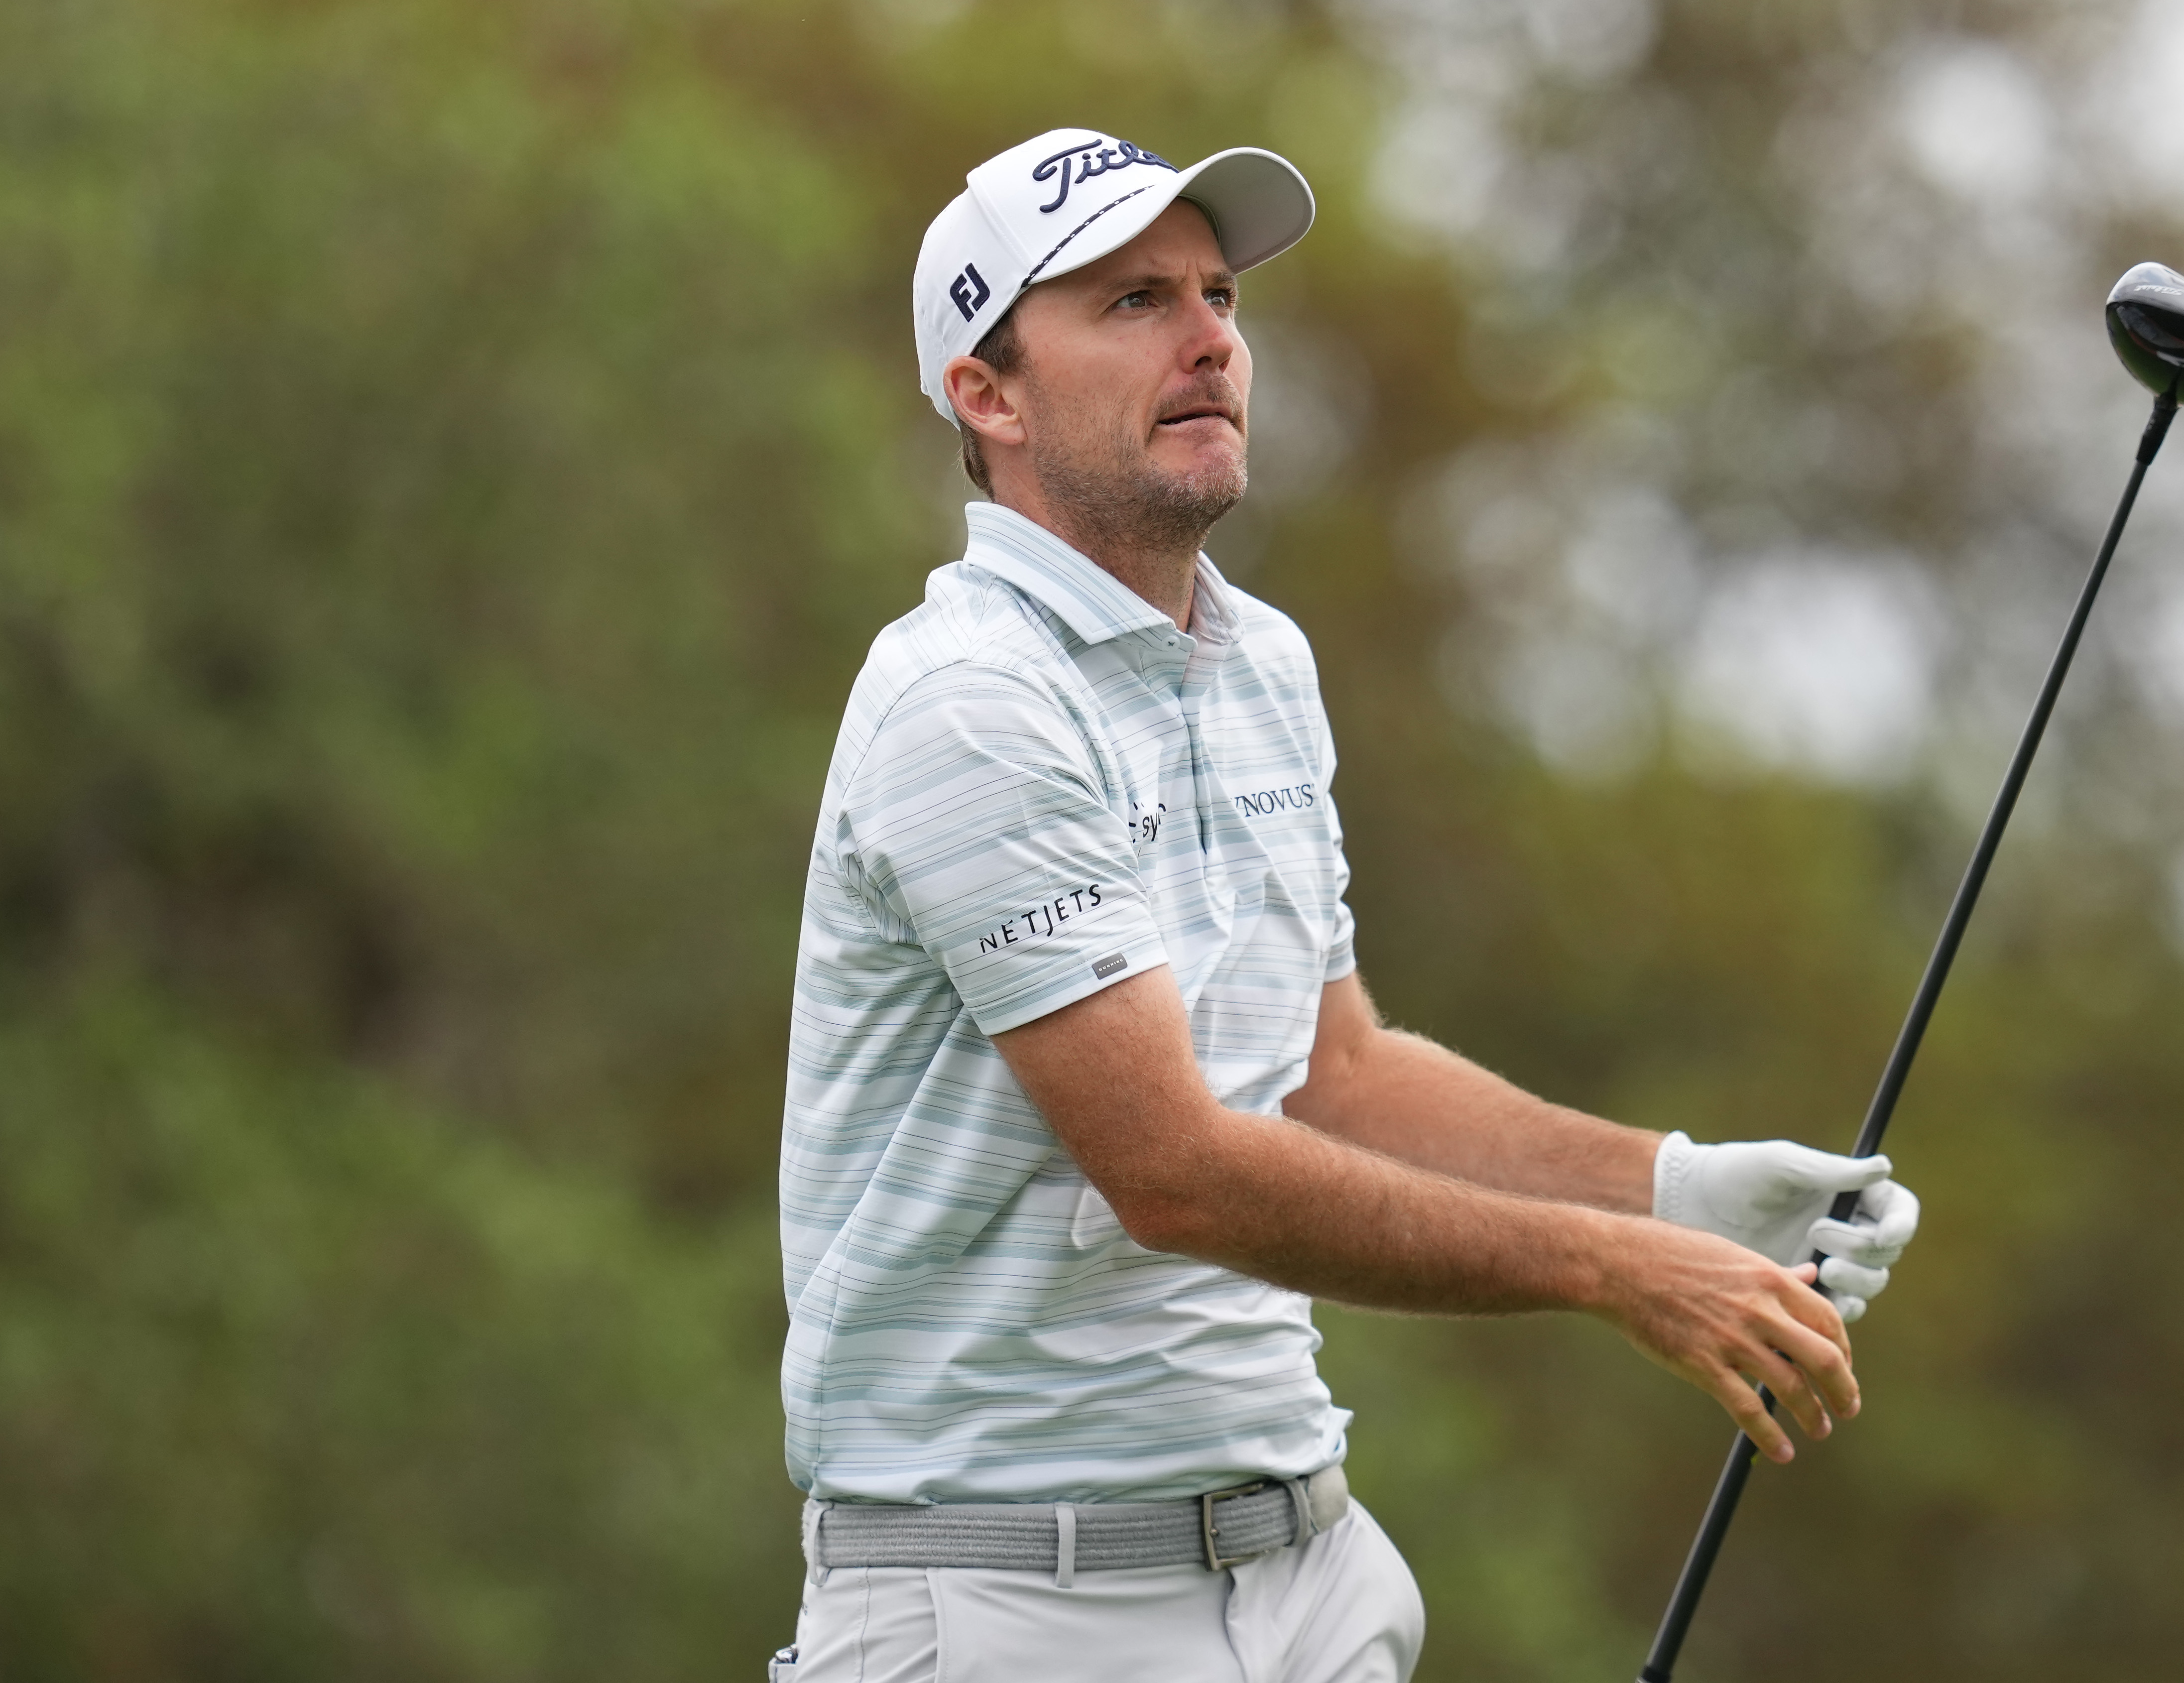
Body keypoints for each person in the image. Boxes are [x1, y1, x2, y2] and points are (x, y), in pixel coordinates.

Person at [770, 128, 1921, 1683]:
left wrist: (1667, 1190)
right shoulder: (972, 700)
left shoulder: (1260, 666)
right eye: (1128, 304)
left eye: (1218, 296)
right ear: (989, 394)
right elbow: (1172, 1172)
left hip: (1305, 1575)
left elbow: (1335, 1074)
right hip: (1010, 1605)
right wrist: (1611, 1270)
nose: (1207, 341)